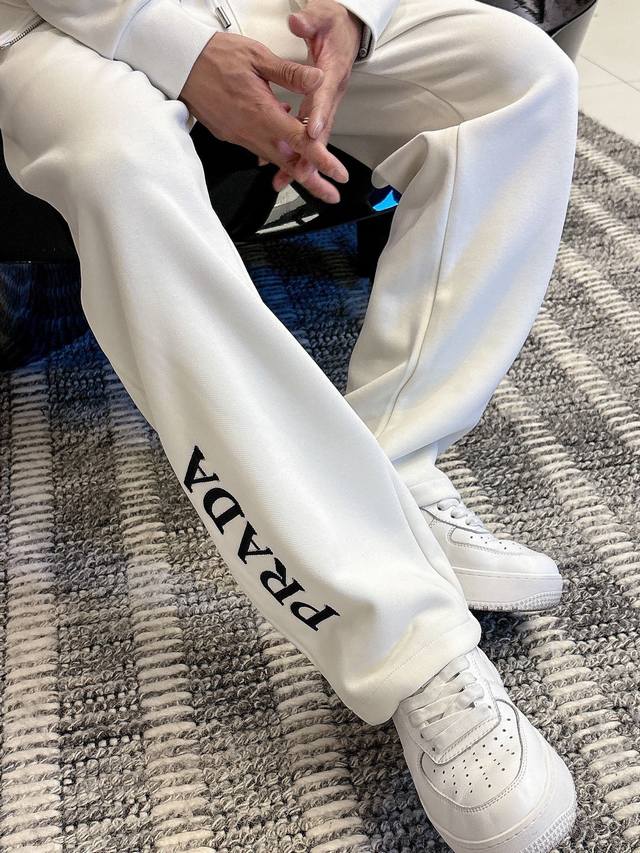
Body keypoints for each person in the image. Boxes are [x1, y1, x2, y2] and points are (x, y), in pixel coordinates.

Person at [0, 0, 579, 849]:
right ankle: (405, 641)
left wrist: (355, 13)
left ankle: (394, 469)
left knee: (518, 76)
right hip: (56, 24)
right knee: (119, 161)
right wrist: (176, 45)